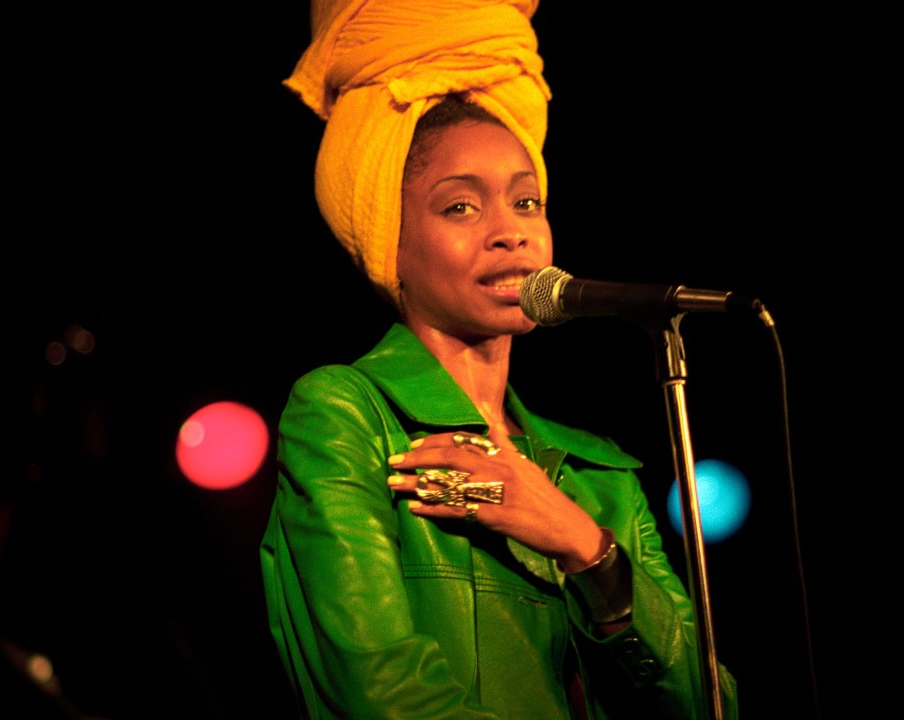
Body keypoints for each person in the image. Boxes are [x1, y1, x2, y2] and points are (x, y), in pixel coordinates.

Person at [259, 1, 739, 717]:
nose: (511, 233)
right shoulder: (345, 415)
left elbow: (711, 705)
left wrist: (585, 545)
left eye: (526, 202)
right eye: (460, 207)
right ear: (389, 239)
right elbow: (384, 693)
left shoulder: (597, 479)